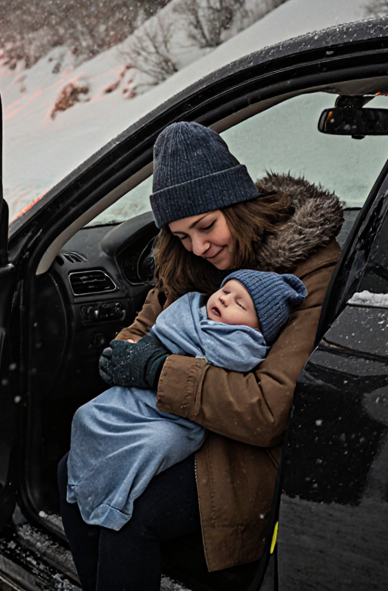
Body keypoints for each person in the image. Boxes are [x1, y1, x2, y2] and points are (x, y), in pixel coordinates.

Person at [57, 121, 344, 590]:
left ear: (238, 205)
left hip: (244, 450)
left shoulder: (308, 267)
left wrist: (157, 370)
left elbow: (269, 409)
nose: (199, 246)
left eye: (206, 226)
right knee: (72, 472)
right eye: (182, 235)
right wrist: (127, 357)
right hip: (176, 423)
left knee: (128, 513)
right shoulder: (188, 260)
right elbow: (140, 332)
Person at [66, 269, 306, 531]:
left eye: (240, 304)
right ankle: (79, 484)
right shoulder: (189, 309)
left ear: (256, 328)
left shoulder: (242, 347)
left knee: (153, 445)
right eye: (226, 291)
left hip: (180, 418)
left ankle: (115, 502)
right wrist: (124, 352)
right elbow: (150, 332)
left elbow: (248, 397)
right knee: (86, 416)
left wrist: (158, 367)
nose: (225, 299)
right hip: (140, 397)